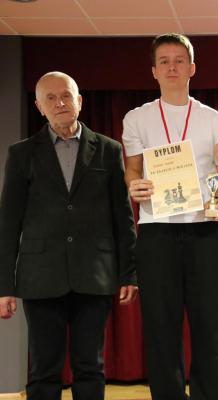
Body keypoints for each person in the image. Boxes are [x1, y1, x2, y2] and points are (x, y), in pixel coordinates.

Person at [0, 71, 137, 400]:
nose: (59, 103)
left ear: (79, 101)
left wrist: (128, 274)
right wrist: (4, 286)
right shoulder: (21, 154)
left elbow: (123, 217)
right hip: (40, 276)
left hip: (95, 274)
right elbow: (8, 223)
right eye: (50, 98)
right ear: (39, 106)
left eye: (66, 96)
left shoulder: (108, 150)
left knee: (90, 367)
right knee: (43, 369)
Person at [122, 33, 218, 400]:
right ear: (154, 71)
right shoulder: (136, 118)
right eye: (164, 61)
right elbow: (132, 169)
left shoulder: (214, 119)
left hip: (206, 231)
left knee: (211, 326)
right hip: (156, 233)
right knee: (160, 327)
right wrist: (134, 185)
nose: (172, 67)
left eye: (179, 60)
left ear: (192, 68)